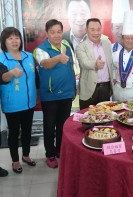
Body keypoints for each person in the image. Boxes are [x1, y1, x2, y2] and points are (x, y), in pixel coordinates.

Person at [34, 19, 76, 168]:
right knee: (49, 126)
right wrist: (58, 58)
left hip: (66, 94)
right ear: (47, 33)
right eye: (52, 32)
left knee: (63, 125)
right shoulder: (40, 49)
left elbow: (71, 69)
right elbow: (45, 64)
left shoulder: (66, 46)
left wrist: (73, 89)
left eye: (59, 31)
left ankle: (60, 150)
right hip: (50, 96)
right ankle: (50, 154)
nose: (57, 35)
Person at [0, 27, 37, 174]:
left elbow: (36, 77)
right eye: (10, 38)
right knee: (14, 132)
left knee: (27, 131)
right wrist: (11, 73)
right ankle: (15, 161)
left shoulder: (28, 56)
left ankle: (26, 155)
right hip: (12, 104)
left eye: (17, 37)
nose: (14, 41)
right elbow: (2, 78)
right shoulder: (2, 59)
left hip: (29, 102)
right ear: (4, 42)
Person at [75, 18, 113, 109]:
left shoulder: (107, 44)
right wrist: (95, 64)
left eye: (98, 29)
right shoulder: (81, 47)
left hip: (105, 89)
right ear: (86, 31)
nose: (96, 33)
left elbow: (111, 64)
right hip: (88, 90)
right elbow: (84, 63)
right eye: (92, 30)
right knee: (88, 119)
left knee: (105, 118)